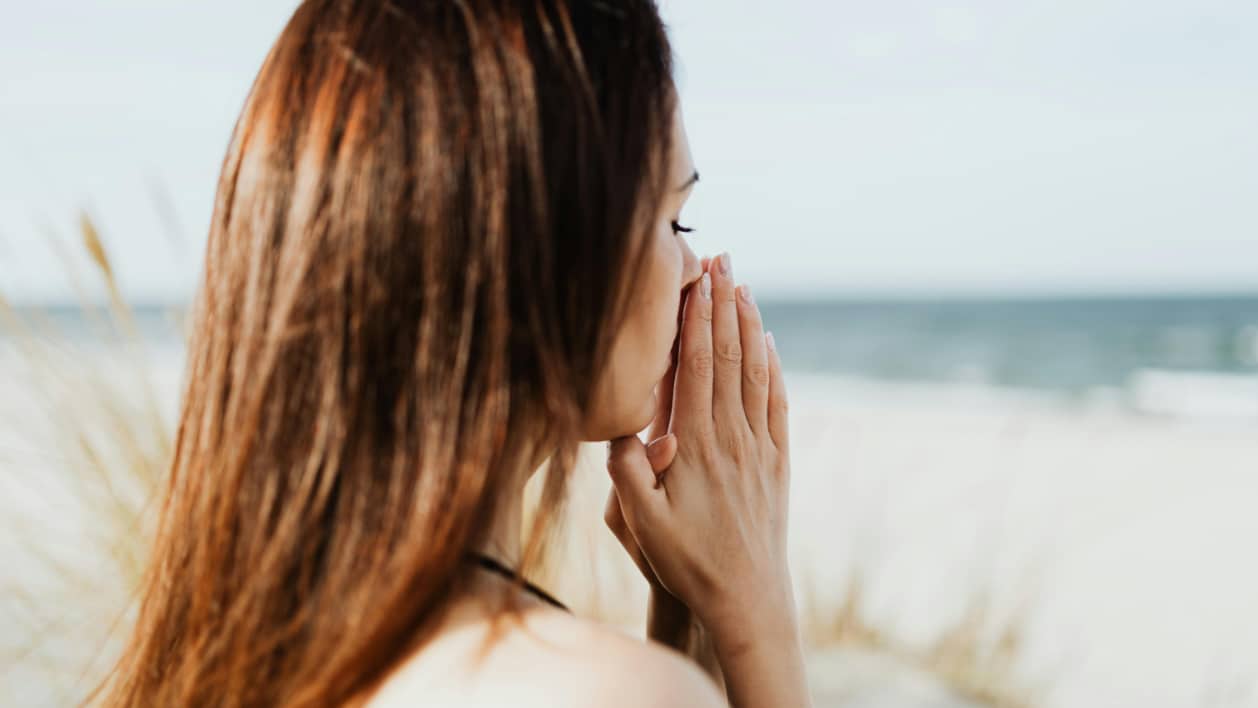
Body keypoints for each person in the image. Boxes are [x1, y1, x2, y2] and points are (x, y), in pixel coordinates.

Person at [94, 1, 811, 706]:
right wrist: (758, 618)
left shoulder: (243, 640)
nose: (696, 269)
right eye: (672, 218)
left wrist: (687, 615)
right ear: (546, 242)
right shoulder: (597, 691)